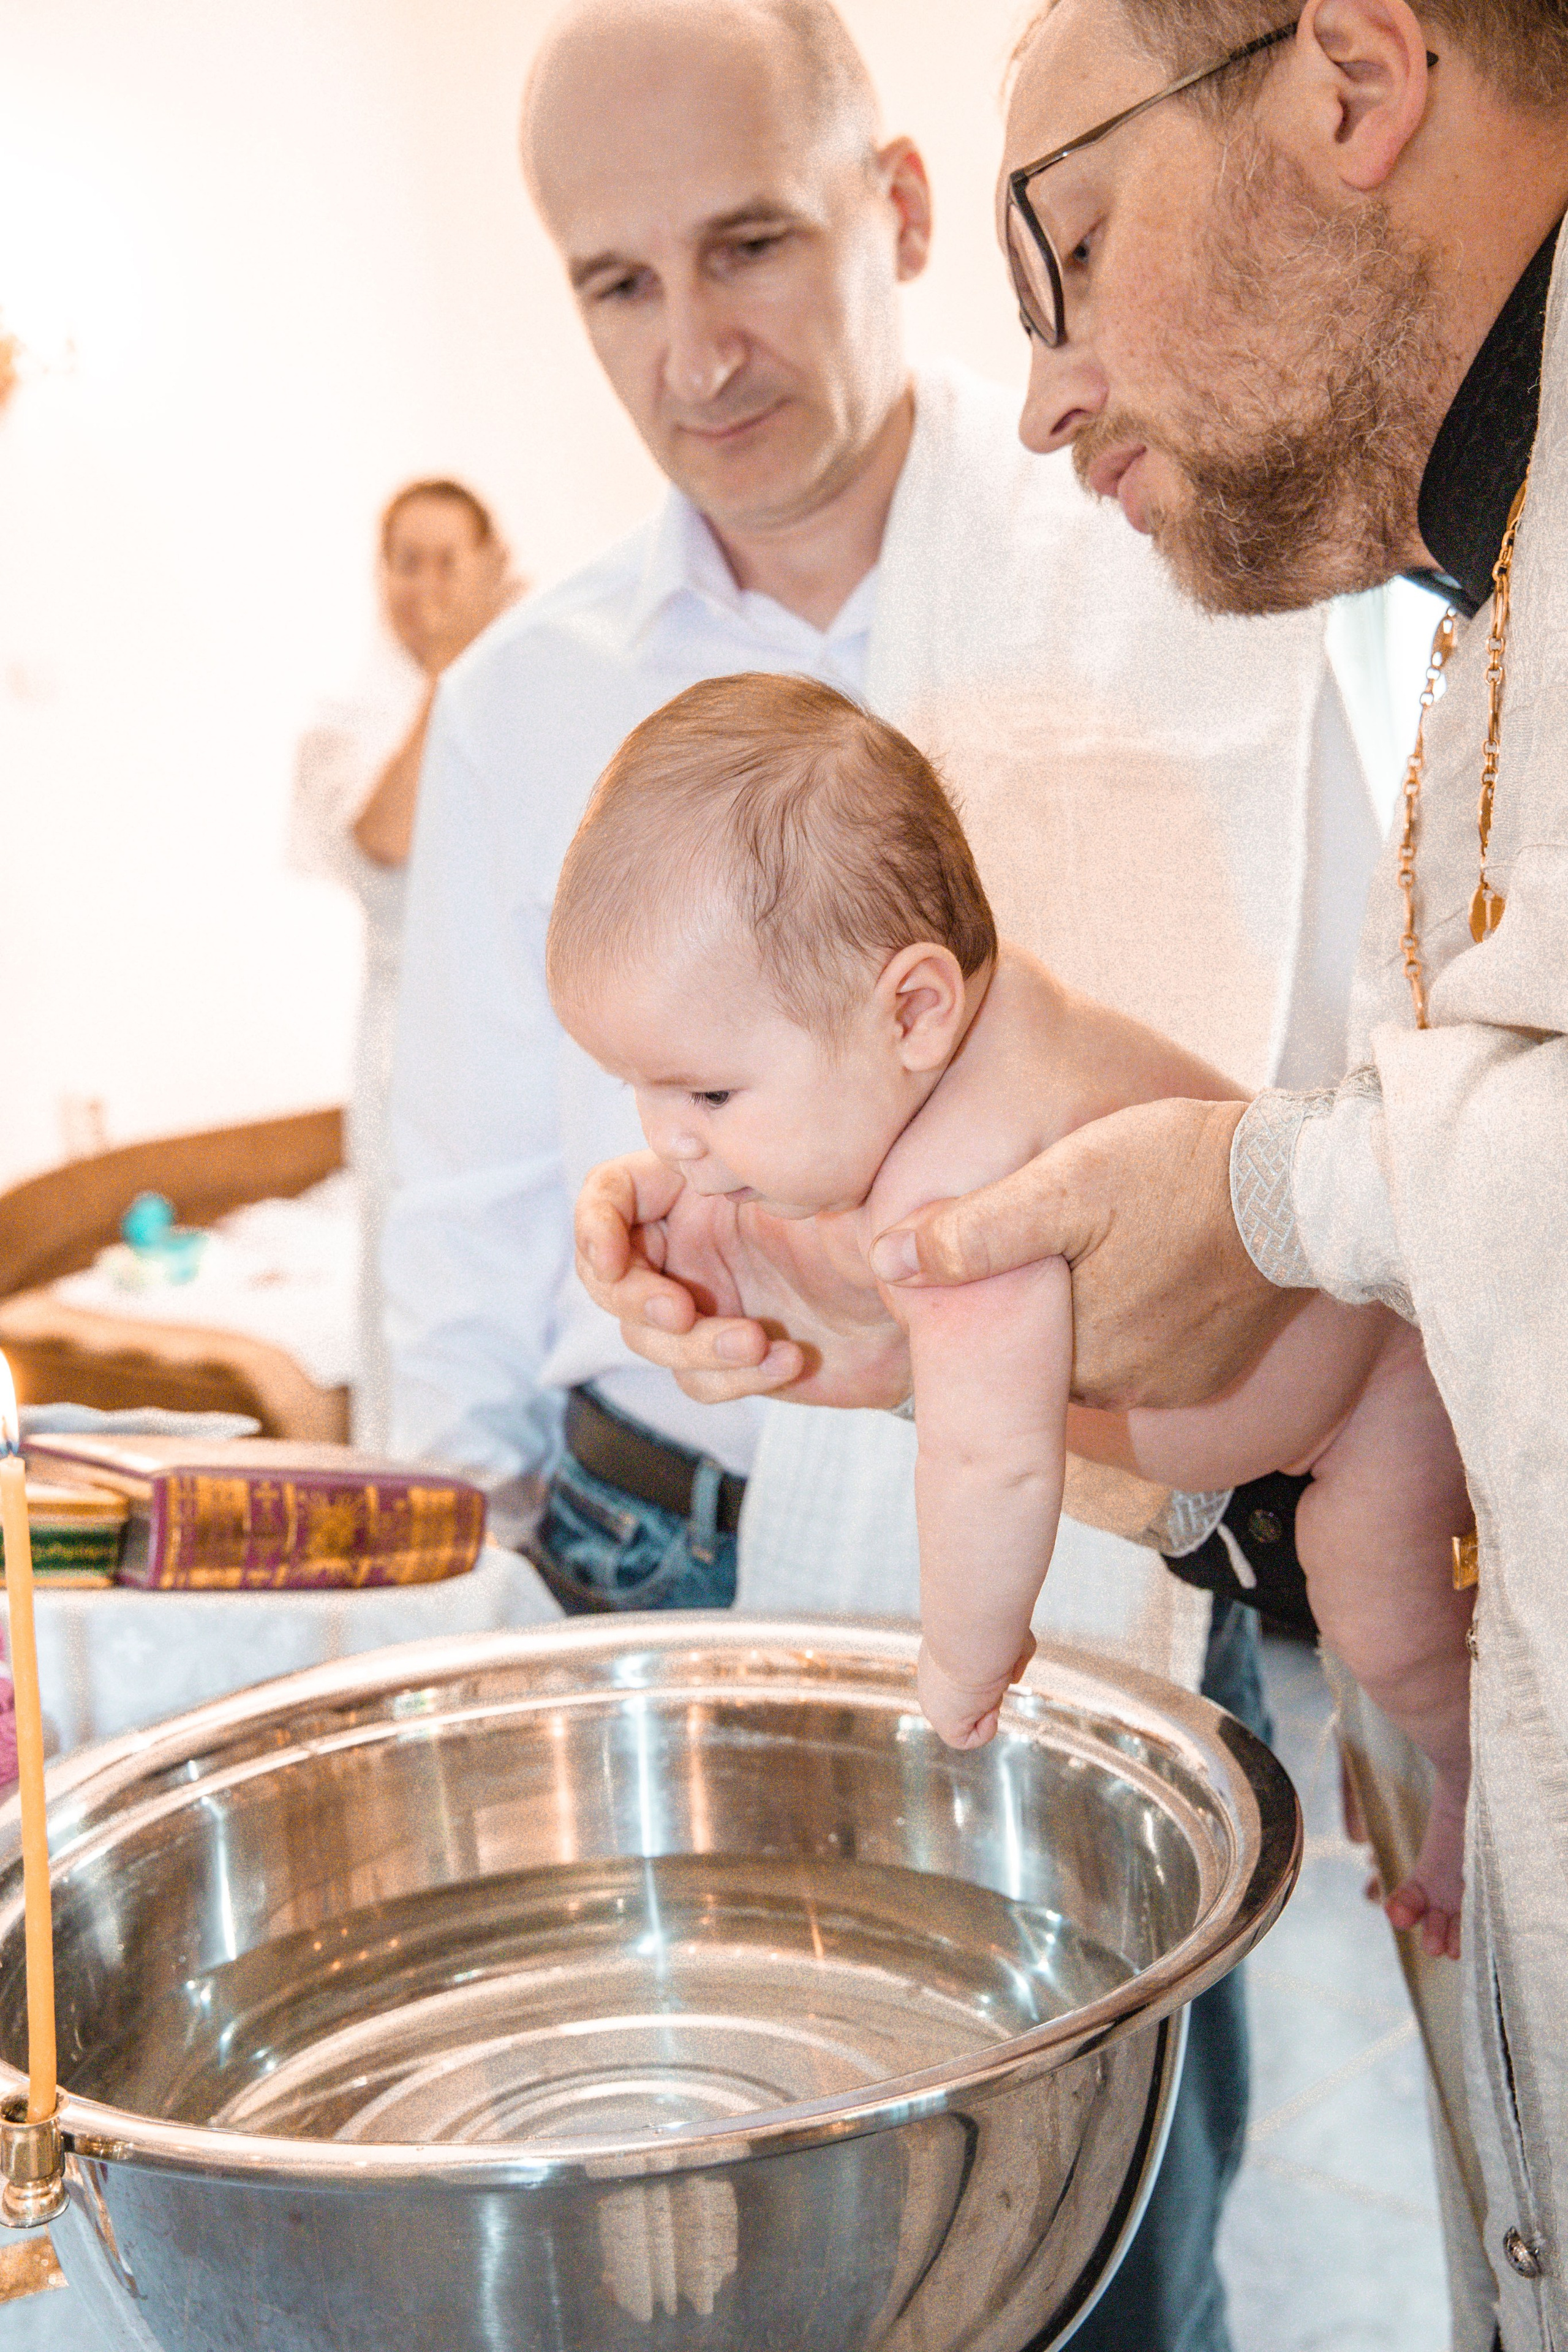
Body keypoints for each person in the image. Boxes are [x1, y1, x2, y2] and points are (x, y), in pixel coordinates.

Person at [384, 4, 1394, 2343]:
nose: (694, 348)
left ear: (905, 210)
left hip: (1112, 1535)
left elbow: (1349, 1097)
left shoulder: (1169, 568)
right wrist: (462, 1625)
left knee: (1102, 2260)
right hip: (653, 1561)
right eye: (614, 281)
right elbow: (452, 1208)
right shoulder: (535, 694)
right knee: (703, 2277)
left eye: (750, 243)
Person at [576, 2, 1568, 2339]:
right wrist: (901, 1347)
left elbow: (1336, 1206)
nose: (1041, 390)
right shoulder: (1484, 606)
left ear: (1351, 75)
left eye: (1078, 246)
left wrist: (1269, 1205)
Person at [549, 669, 1473, 1942]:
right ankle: (1415, 1740)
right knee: (1374, 1629)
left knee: (1385, 1623)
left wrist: (961, 1661)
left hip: (1369, 1404)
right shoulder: (960, 1051)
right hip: (1289, 1426)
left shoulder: (967, 1180)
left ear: (911, 1009)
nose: (672, 1142)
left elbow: (987, 1463)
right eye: (640, 1093)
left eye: (706, 1097)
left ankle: (1467, 1786)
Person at [292, 478, 516, 1443]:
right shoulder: (347, 719)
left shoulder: (530, 683)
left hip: (520, 1022)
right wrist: (450, 680)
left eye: (448, 560)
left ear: (490, 567)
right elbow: (384, 840)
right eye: (405, 560)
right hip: (406, 1034)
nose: (425, 584)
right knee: (411, 1265)